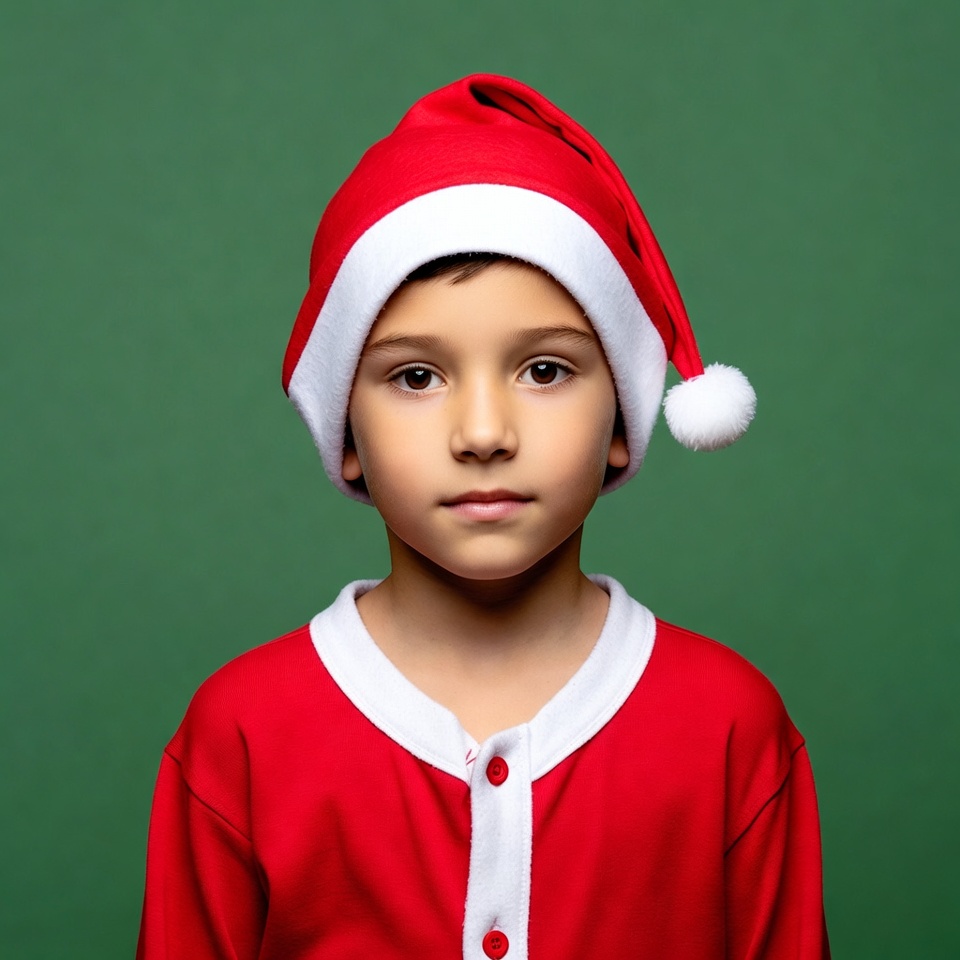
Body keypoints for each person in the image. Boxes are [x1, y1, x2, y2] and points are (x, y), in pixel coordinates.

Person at [136, 74, 829, 959]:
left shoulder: (733, 725)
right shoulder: (240, 733)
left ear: (623, 418)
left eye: (545, 370)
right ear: (344, 431)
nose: (484, 433)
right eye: (415, 377)